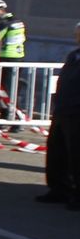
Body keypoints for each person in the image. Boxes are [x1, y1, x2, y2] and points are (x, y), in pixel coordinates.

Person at [35, 22, 80, 210]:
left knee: (76, 155)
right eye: (77, 32)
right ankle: (58, 189)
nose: (76, 35)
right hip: (63, 109)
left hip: (76, 111)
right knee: (57, 152)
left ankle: (77, 195)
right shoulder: (74, 55)